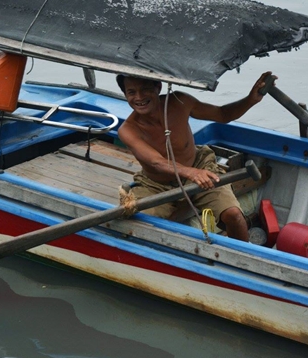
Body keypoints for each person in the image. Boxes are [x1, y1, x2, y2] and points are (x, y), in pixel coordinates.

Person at [116, 71, 276, 242]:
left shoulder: (180, 102)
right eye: (131, 92)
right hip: (157, 185)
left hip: (199, 166)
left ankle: (244, 258)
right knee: (140, 225)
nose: (139, 97)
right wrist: (191, 173)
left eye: (145, 90)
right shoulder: (127, 130)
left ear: (158, 87)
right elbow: (157, 162)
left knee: (234, 216)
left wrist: (251, 99)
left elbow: (223, 114)